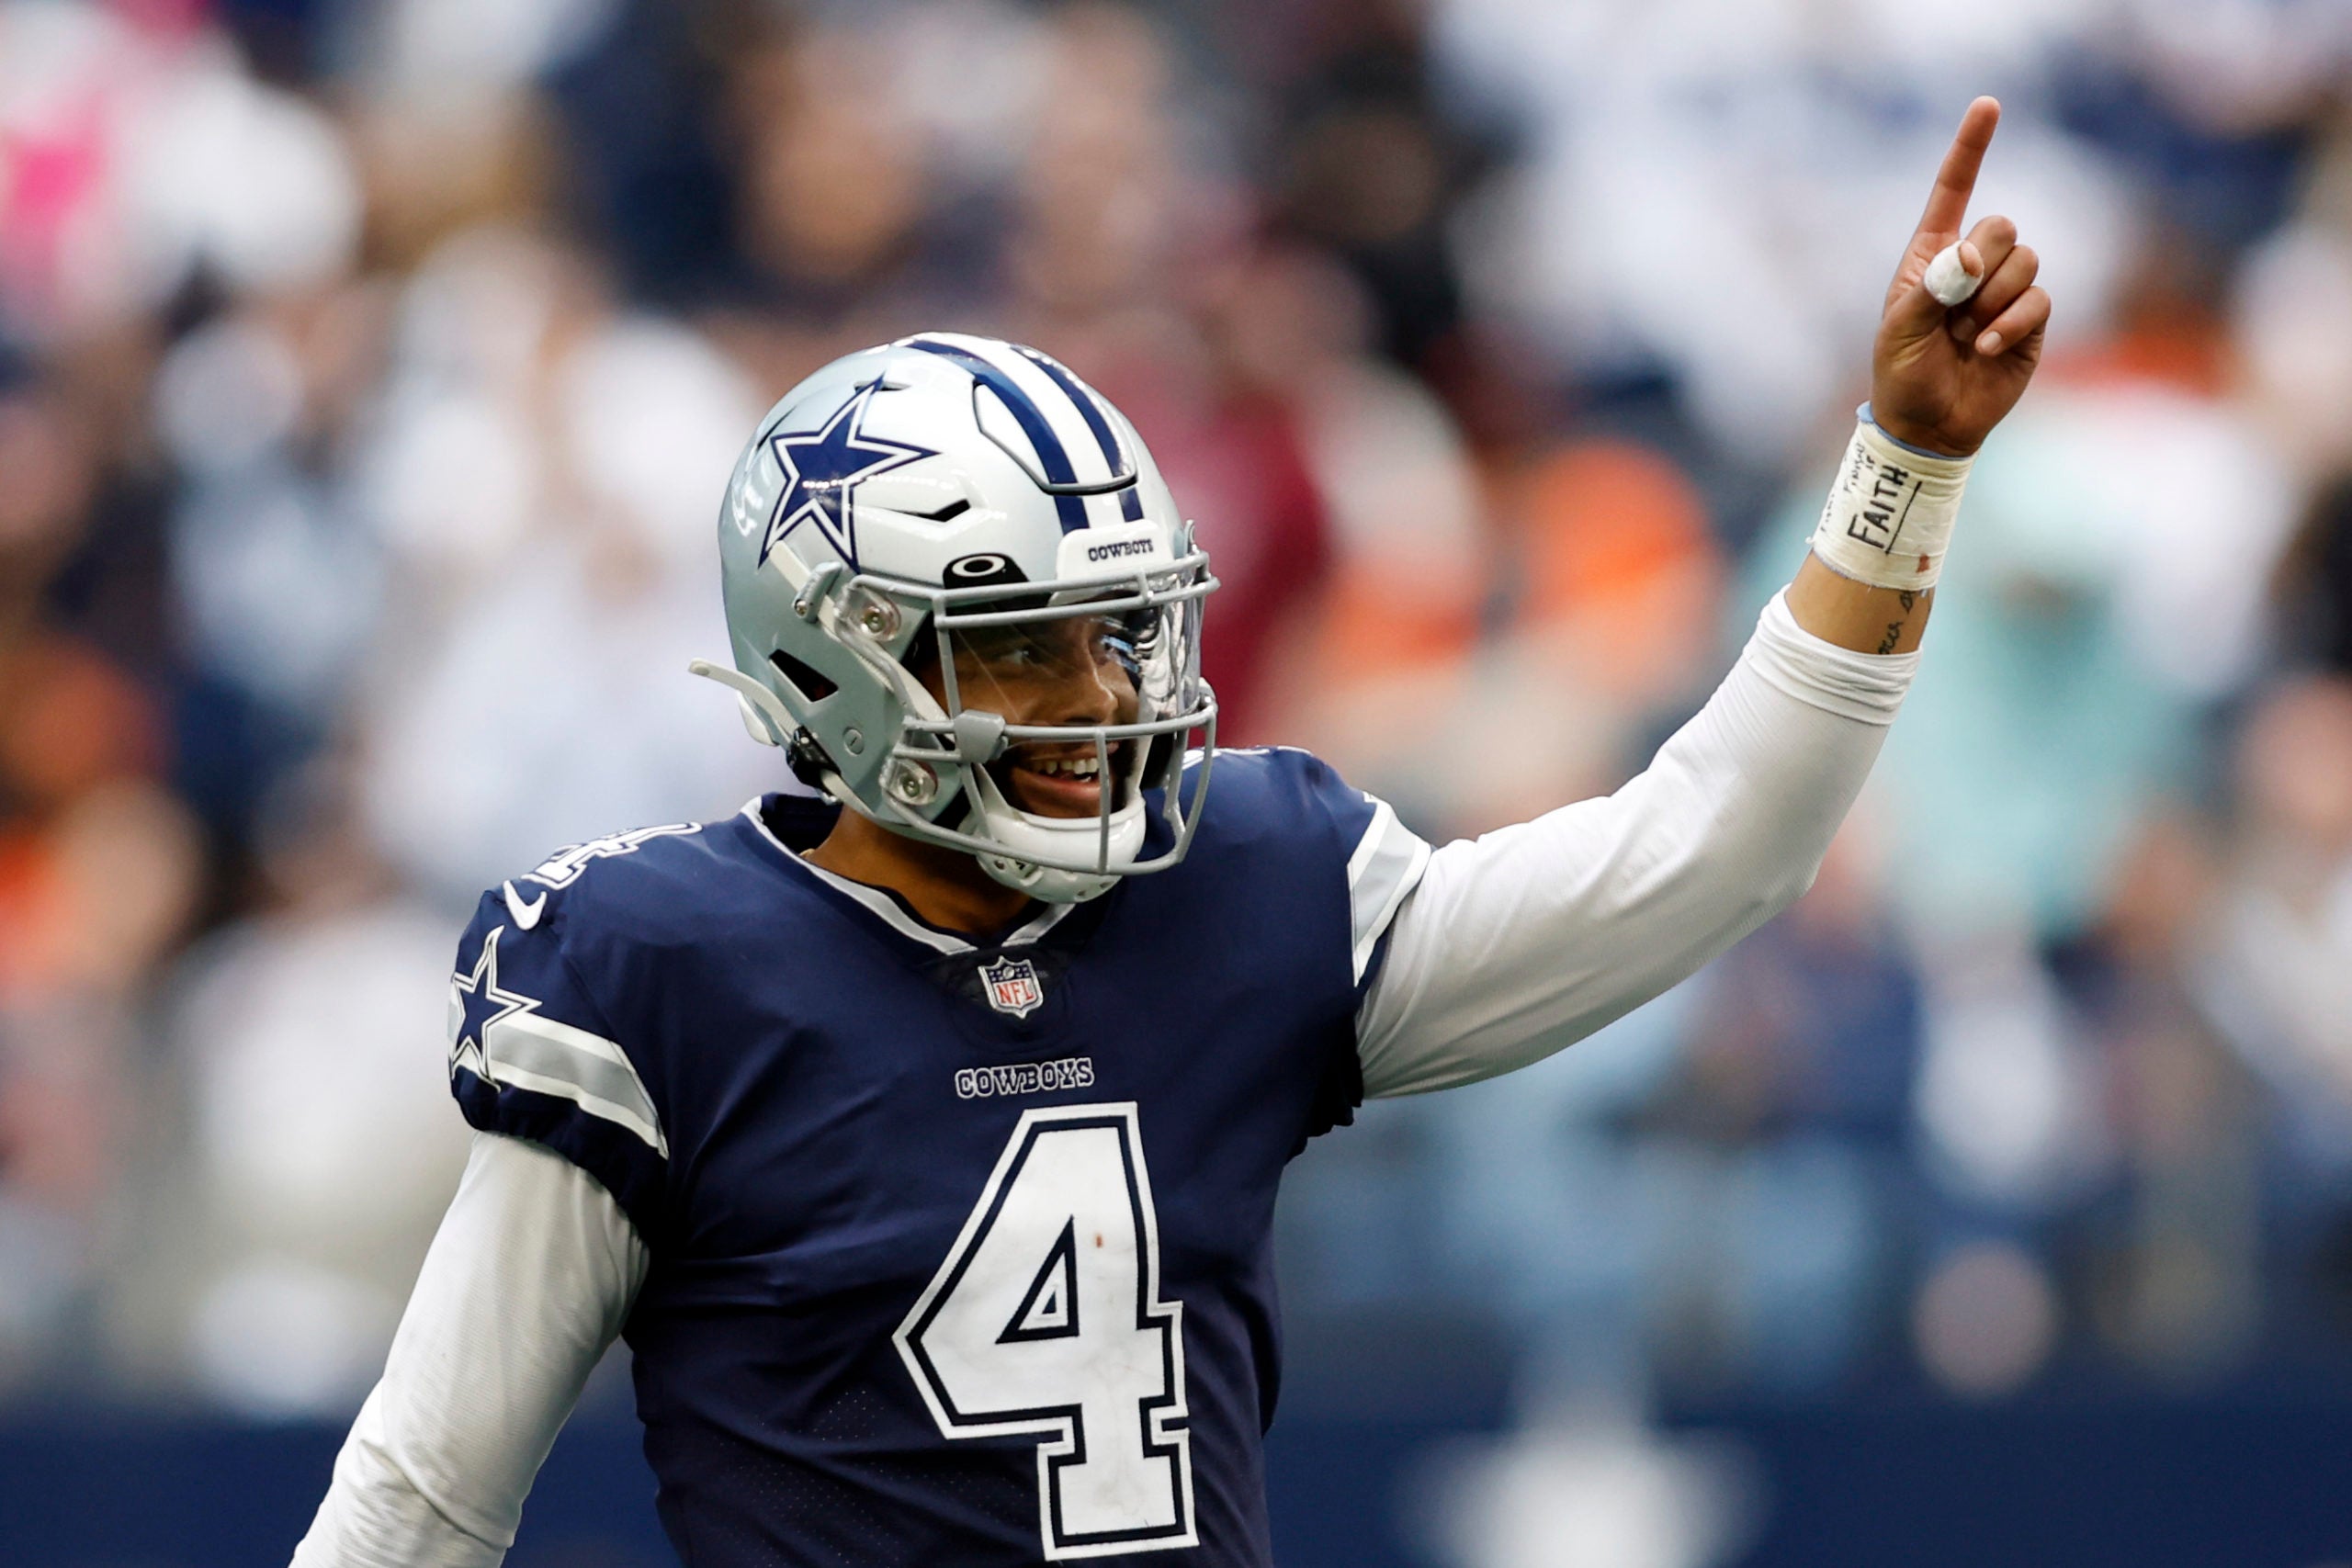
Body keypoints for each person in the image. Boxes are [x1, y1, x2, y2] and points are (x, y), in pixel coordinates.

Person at [293, 98, 2048, 1567]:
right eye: (1022, 645)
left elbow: (1716, 847)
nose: (1100, 697)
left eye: (1119, 631)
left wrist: (1903, 465)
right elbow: (423, 1500)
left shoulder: (1243, 886)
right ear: (832, 660)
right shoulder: (664, 976)